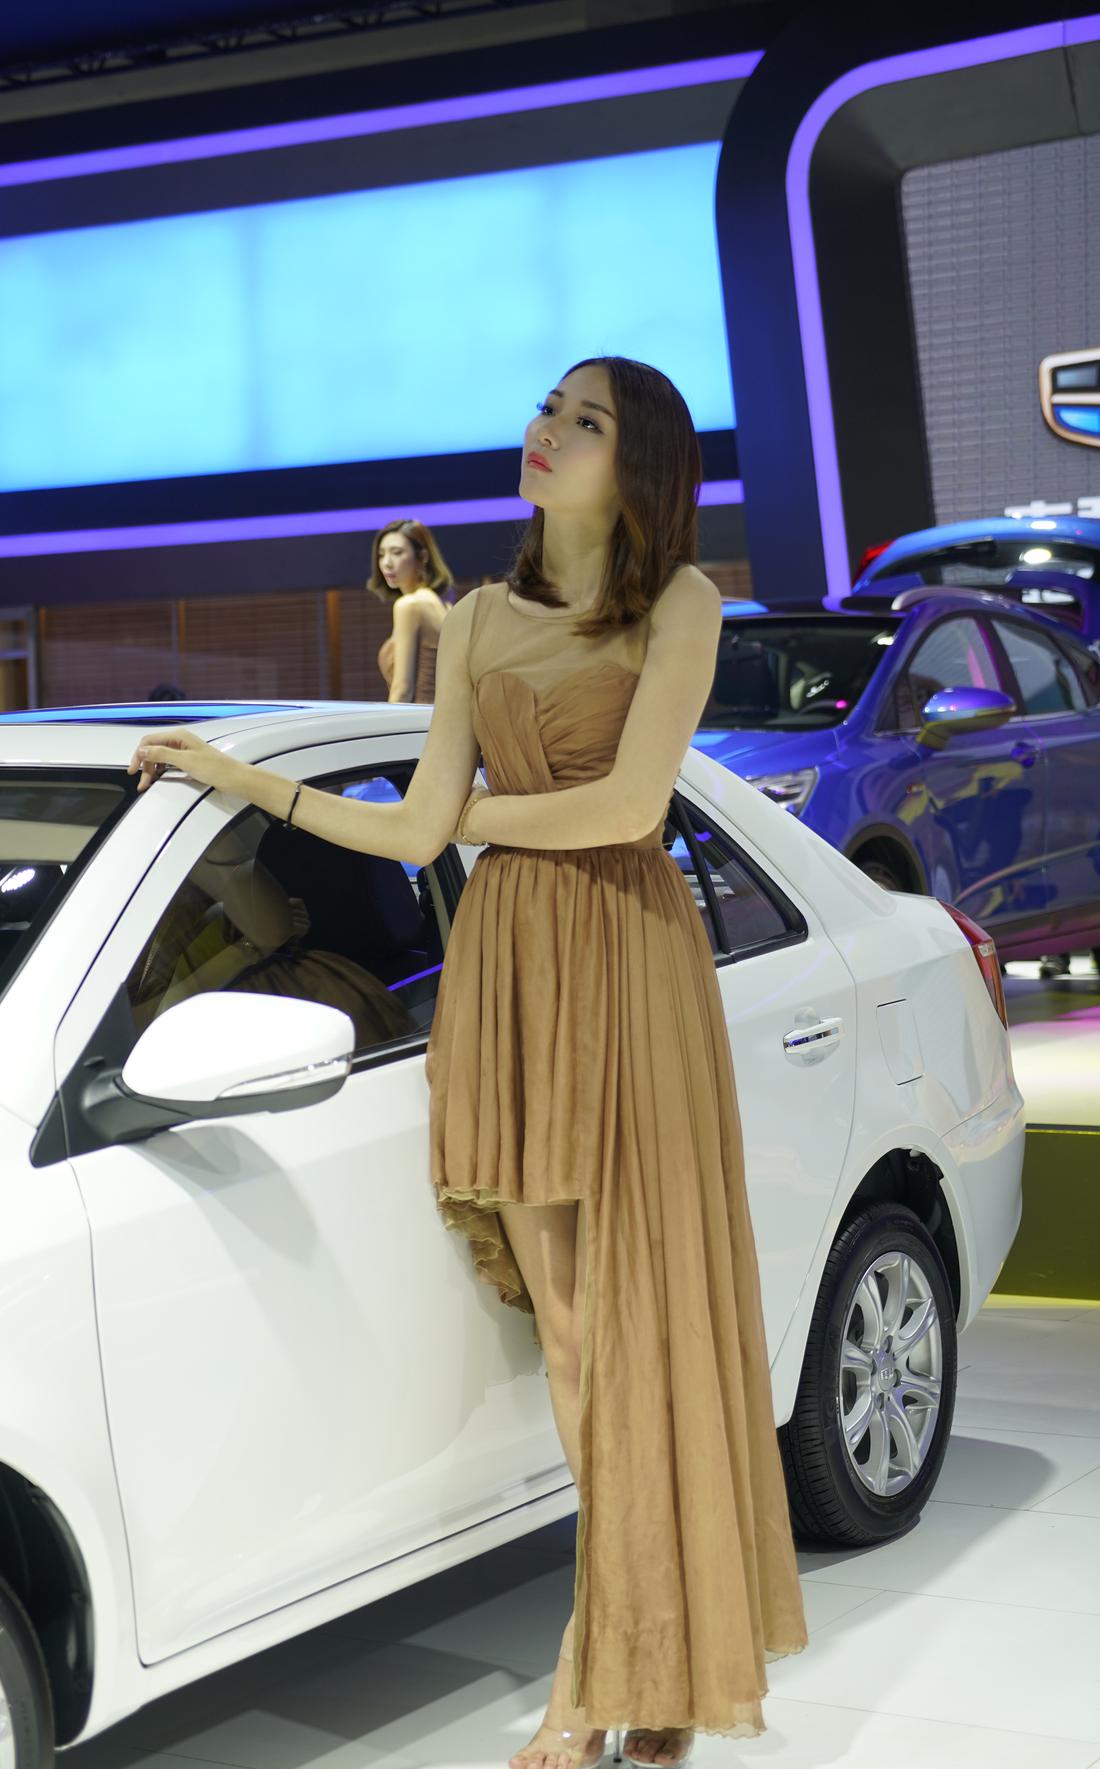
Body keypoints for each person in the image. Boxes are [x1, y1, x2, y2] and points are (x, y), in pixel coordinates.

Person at [129, 356, 808, 1769]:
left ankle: (594, 1668)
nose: (546, 432)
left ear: (641, 464)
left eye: (584, 420)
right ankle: (630, 1655)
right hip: (512, 968)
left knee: (642, 1323)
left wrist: (476, 817)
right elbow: (413, 828)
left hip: (626, 963)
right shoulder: (482, 615)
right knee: (569, 1336)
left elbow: (626, 808)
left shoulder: (681, 603)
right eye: (548, 409)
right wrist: (243, 782)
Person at [368, 517, 454, 702]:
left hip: (418, 718)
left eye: (397, 553)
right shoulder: (443, 604)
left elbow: (402, 689)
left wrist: (388, 722)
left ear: (422, 557)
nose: (386, 563)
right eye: (381, 554)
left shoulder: (409, 606)